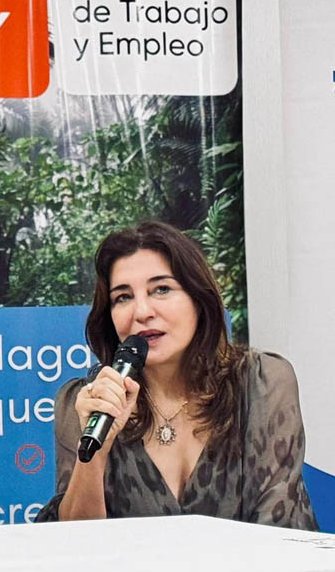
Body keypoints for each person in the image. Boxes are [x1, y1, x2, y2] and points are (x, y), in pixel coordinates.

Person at [36, 221, 317, 530]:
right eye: (123, 297)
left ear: (198, 298)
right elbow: (74, 541)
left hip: (259, 563)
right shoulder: (89, 402)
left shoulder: (261, 384)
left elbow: (278, 527)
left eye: (162, 289)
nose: (142, 312)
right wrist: (97, 452)